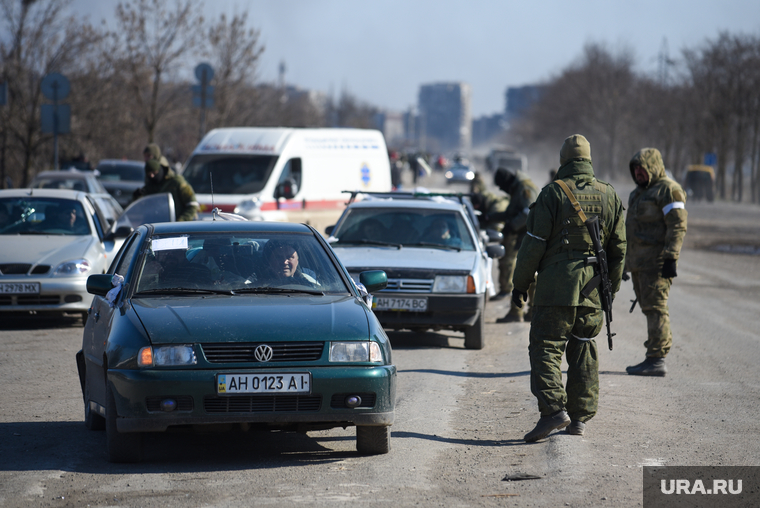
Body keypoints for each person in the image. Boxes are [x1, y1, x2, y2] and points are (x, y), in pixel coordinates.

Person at [512, 134, 626, 441]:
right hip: (593, 290)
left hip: (554, 290)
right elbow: (619, 249)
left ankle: (552, 412)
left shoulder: (552, 194)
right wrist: (609, 291)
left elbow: (533, 246)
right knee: (584, 348)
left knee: (546, 347)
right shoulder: (609, 195)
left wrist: (519, 285)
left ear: (564, 160)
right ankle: (579, 419)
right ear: (588, 160)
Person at [625, 148, 687, 377]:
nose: (639, 173)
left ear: (653, 167)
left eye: (643, 169)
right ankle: (654, 354)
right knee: (648, 307)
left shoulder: (669, 190)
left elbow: (678, 225)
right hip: (639, 263)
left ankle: (656, 359)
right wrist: (624, 263)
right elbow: (630, 230)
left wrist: (671, 257)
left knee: (656, 308)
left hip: (657, 262)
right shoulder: (637, 193)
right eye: (635, 170)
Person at [488, 166, 539, 323]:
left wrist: (512, 226)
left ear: (507, 182)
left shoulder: (524, 188)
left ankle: (519, 312)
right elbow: (513, 212)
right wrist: (493, 217)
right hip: (525, 236)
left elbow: (529, 213)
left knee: (522, 275)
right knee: (527, 276)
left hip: (528, 236)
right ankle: (529, 312)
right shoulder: (517, 187)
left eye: (502, 187)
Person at [133, 143, 199, 221]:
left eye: (149, 156)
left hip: (179, 227)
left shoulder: (176, 181)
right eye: (145, 156)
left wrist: (180, 222)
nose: (146, 159)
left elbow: (193, 204)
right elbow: (145, 207)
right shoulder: (150, 183)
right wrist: (138, 197)